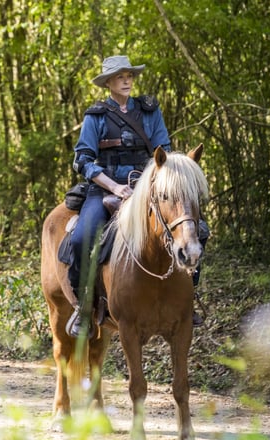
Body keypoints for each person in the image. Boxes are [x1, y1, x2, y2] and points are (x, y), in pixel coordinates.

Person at [68, 55, 204, 338]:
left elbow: (163, 152)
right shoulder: (95, 116)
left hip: (148, 189)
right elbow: (82, 160)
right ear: (108, 83)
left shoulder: (150, 111)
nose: (127, 80)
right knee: (82, 236)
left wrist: (148, 185)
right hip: (105, 188)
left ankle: (188, 300)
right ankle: (84, 309)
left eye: (129, 75)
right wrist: (115, 188)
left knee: (196, 230)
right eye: (120, 76)